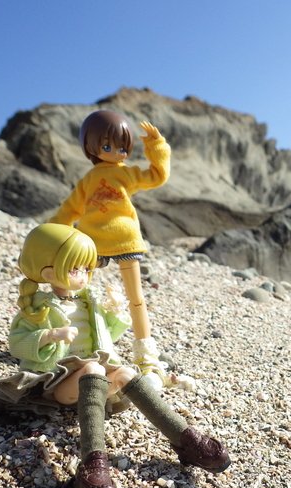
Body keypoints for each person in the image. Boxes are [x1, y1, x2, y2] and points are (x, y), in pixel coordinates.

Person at [0, 224, 230, 488]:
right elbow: (17, 344)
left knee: (125, 372)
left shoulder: (88, 301)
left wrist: (116, 311)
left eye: (87, 269)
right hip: (55, 381)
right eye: (76, 269)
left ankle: (184, 438)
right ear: (49, 274)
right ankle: (92, 464)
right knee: (93, 370)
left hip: (92, 374)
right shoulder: (37, 309)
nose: (84, 275)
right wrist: (49, 335)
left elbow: (106, 337)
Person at [49, 109, 172, 388]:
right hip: (91, 244)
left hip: (121, 240)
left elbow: (157, 175)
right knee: (77, 294)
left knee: (135, 298)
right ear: (90, 147)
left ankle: (146, 356)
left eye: (122, 148)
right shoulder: (89, 180)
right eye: (107, 147)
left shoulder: (125, 173)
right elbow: (68, 211)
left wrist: (156, 145)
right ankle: (74, 346)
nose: (117, 152)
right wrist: (49, 236)